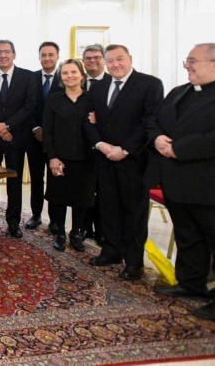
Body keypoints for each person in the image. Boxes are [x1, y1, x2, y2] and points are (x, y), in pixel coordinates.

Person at [147, 43, 215, 321]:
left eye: (192, 61)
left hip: (207, 182)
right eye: (187, 60)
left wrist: (179, 148)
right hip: (176, 181)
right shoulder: (179, 92)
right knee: (188, 235)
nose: (187, 66)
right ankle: (190, 283)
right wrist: (157, 138)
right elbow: (154, 120)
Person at [85, 44, 164, 281]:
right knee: (108, 208)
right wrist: (101, 145)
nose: (115, 64)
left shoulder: (150, 84)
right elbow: (89, 121)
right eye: (110, 61)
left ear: (130, 58)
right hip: (104, 157)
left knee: (133, 212)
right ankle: (111, 251)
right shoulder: (98, 88)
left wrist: (125, 149)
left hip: (133, 160)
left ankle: (134, 262)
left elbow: (149, 122)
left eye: (120, 59)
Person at [0, 40, 37, 238]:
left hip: (16, 137)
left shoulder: (27, 77)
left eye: (6, 52)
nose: (3, 55)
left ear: (14, 54)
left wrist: (8, 126)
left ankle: (13, 222)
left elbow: (29, 106)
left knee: (14, 181)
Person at [43, 59, 95, 252]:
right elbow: (47, 130)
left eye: (73, 72)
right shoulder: (54, 99)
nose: (70, 76)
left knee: (81, 199)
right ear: (60, 77)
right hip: (60, 157)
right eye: (65, 73)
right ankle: (60, 234)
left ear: (81, 75)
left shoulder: (91, 99)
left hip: (86, 158)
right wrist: (53, 157)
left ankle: (76, 233)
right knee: (59, 198)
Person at [25, 41, 62, 231]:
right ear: (39, 57)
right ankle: (36, 214)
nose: (47, 58)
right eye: (43, 55)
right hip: (34, 138)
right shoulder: (30, 78)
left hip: (56, 139)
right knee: (36, 177)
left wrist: (49, 132)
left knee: (55, 179)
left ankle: (55, 220)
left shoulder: (65, 78)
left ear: (57, 56)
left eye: (51, 55)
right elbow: (26, 106)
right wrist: (36, 128)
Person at [81, 44, 110, 244]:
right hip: (80, 145)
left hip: (104, 145)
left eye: (96, 57)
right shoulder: (78, 81)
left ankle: (101, 231)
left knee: (102, 190)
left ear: (103, 59)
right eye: (88, 58)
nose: (92, 61)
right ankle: (83, 228)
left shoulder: (112, 82)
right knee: (84, 189)